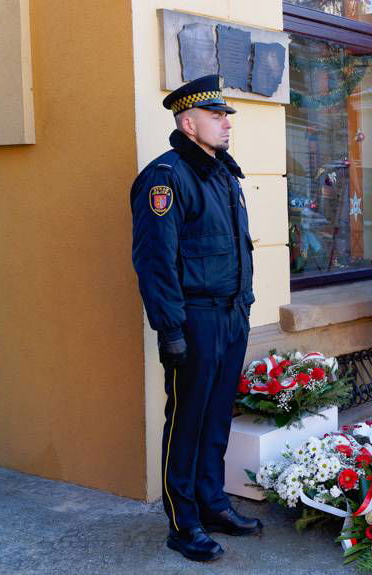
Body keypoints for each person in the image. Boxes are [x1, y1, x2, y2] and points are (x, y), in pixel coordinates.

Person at [130, 75, 261, 562]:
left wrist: (245, 302)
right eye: (216, 115)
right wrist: (170, 328)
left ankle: (211, 502)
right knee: (187, 419)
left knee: (217, 415)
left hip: (231, 314)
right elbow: (154, 260)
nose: (227, 123)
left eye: (226, 115)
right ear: (188, 123)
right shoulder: (165, 178)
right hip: (195, 318)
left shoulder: (223, 173)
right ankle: (182, 521)